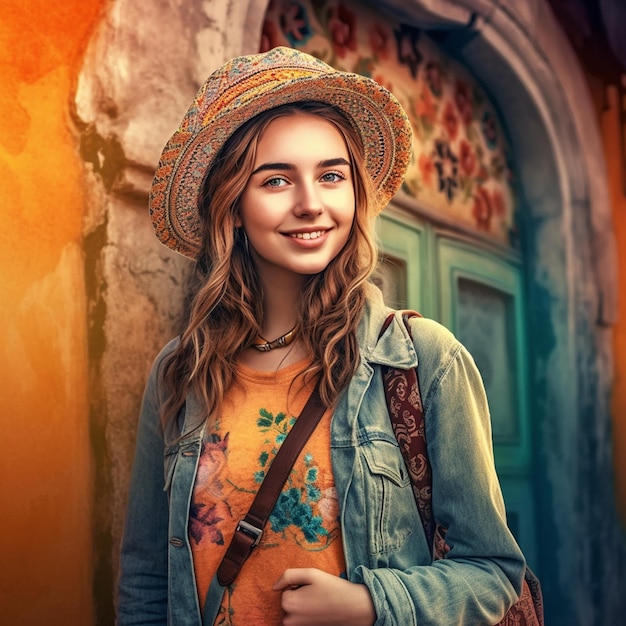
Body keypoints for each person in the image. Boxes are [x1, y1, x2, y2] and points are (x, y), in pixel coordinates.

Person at [117, 46, 526, 626]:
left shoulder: (422, 359)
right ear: (233, 207)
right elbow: (146, 577)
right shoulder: (179, 373)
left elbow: (494, 572)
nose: (311, 204)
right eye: (277, 180)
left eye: (331, 175)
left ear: (354, 192)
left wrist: (369, 604)